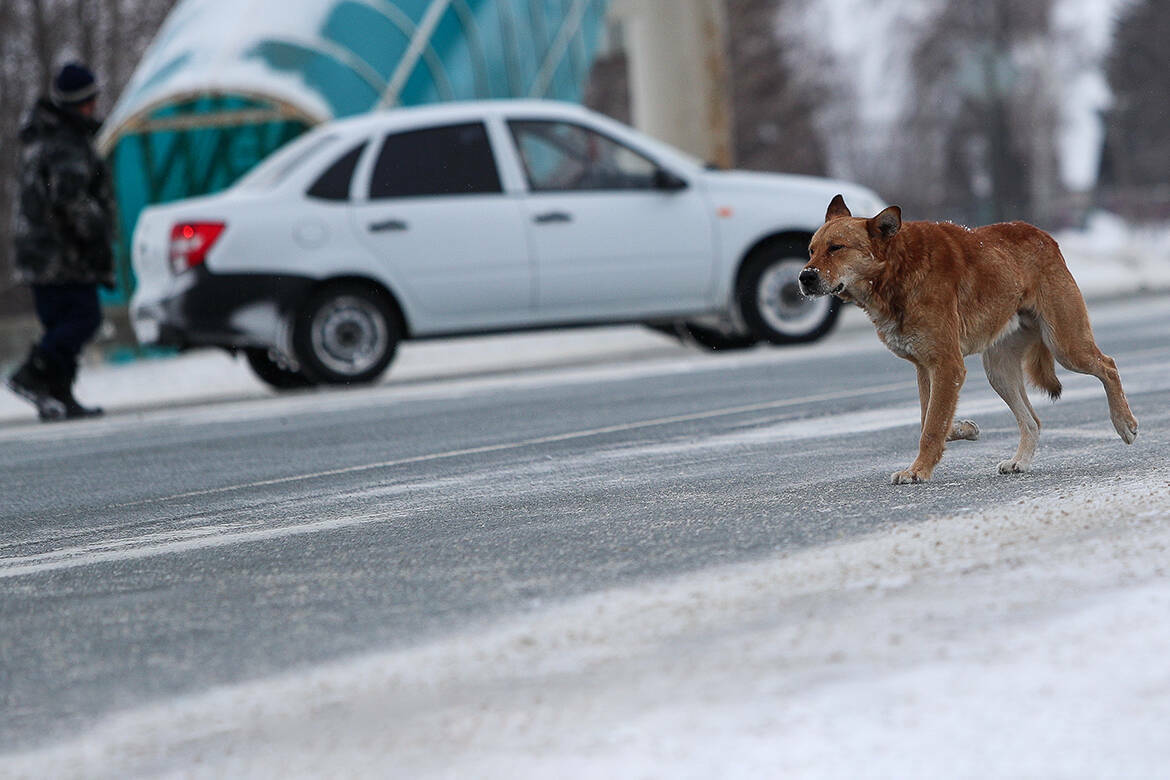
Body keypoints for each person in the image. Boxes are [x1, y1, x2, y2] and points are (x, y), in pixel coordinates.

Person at [6, 62, 115, 421]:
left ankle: (58, 395)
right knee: (84, 317)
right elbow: (70, 200)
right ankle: (31, 374)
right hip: (59, 252)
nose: (94, 106)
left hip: (41, 251)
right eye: (89, 100)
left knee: (61, 322)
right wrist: (96, 235)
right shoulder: (64, 141)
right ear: (79, 103)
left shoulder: (45, 135)